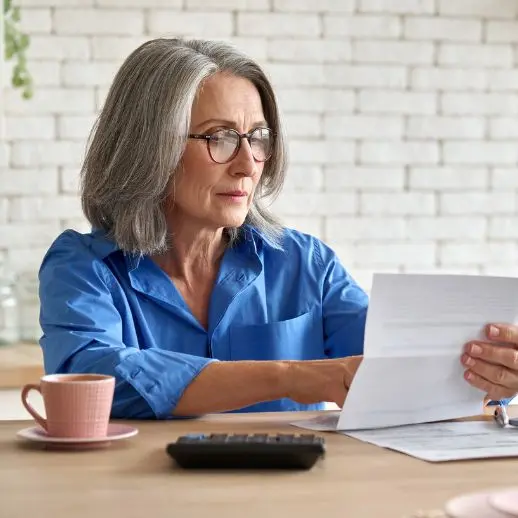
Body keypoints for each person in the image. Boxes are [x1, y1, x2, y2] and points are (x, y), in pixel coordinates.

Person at [38, 38, 517, 420]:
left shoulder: (307, 265)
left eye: (258, 138)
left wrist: (490, 376)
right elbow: (94, 378)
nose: (249, 165)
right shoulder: (83, 267)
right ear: (149, 147)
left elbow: (399, 370)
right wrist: (292, 376)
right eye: (220, 138)